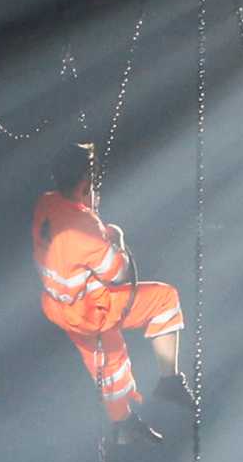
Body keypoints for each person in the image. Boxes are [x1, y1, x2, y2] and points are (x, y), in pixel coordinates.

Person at [31, 142, 185, 443]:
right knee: (165, 300)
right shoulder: (81, 225)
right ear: (85, 182)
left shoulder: (46, 203)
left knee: (109, 361)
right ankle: (169, 380)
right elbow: (118, 272)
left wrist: (93, 222)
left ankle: (123, 424)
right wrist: (117, 238)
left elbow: (71, 247)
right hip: (90, 308)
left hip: (58, 307)